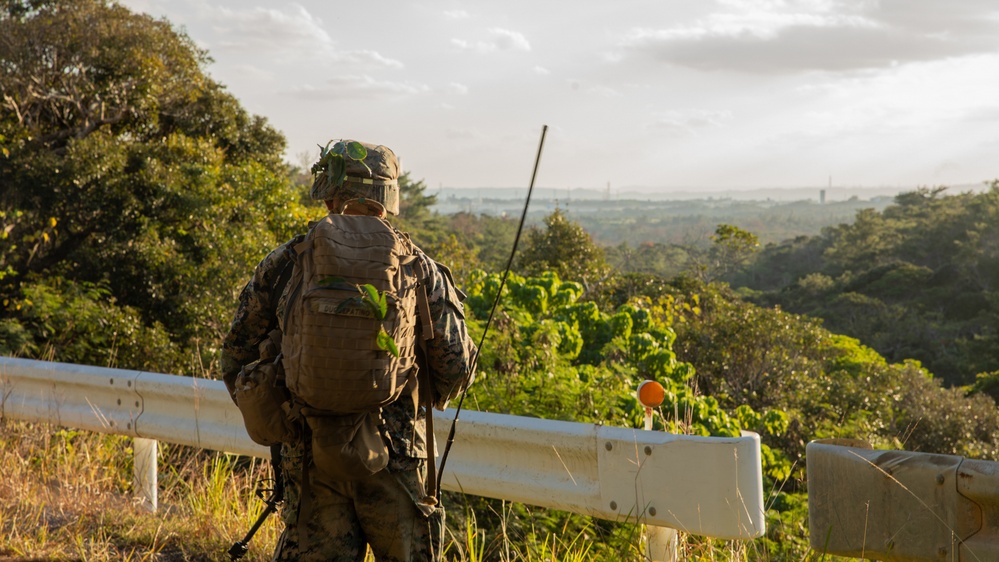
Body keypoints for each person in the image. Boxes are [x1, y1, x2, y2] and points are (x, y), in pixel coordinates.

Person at [220, 139, 477, 561]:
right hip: (395, 457)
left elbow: (236, 356)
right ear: (388, 195)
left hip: (310, 455)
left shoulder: (287, 262)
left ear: (328, 190)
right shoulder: (420, 268)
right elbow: (454, 366)